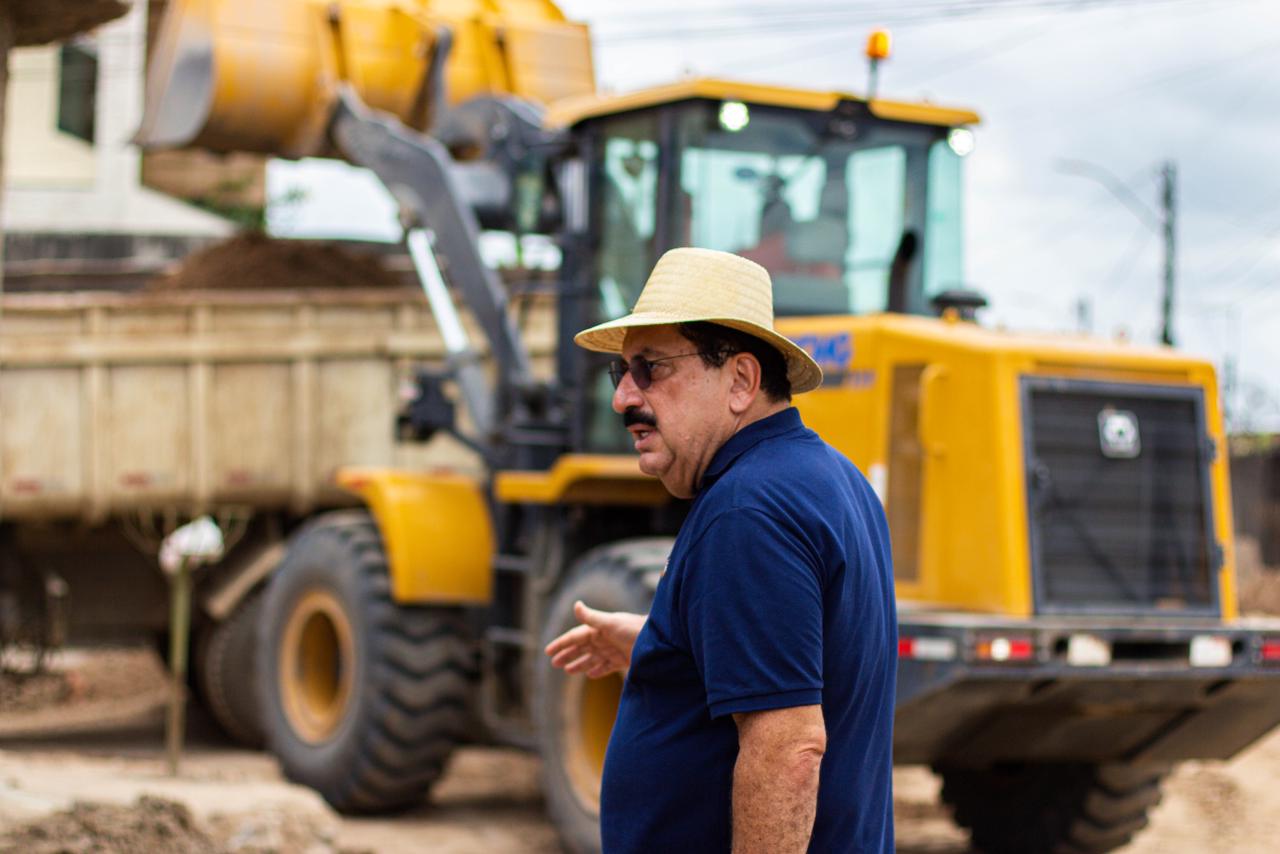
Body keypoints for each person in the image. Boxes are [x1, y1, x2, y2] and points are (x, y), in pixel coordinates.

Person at [544, 247, 896, 853]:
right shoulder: (834, 480)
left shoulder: (747, 511)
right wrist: (665, 643)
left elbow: (788, 747)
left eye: (650, 368)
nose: (624, 398)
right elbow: (815, 661)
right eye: (620, 372)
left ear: (740, 381)